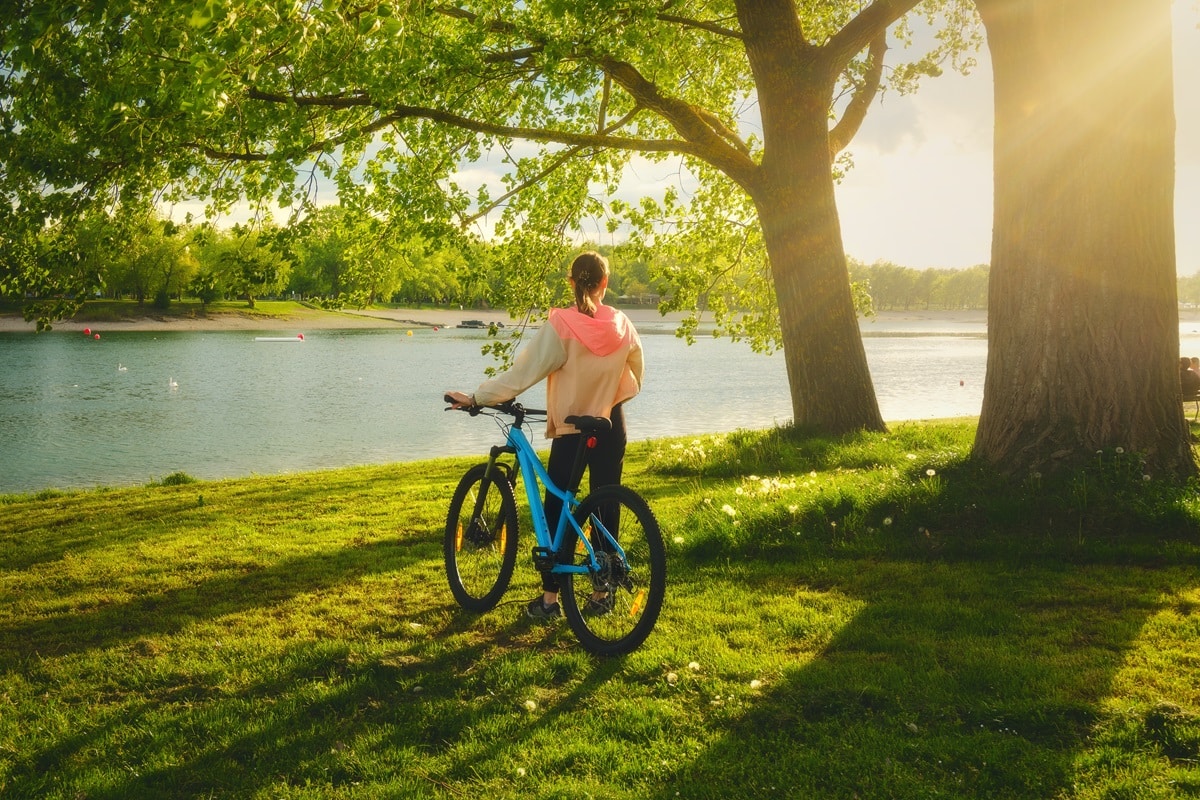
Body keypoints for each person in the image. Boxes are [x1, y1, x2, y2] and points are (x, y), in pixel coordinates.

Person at [446, 251, 644, 620]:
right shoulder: (622, 323)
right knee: (604, 503)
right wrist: (607, 396)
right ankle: (602, 593)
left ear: (571, 282)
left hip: (572, 428)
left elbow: (521, 375)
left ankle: (550, 601)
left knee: (558, 505)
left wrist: (477, 397)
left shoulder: (562, 324)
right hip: (611, 424)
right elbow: (635, 372)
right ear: (605, 283)